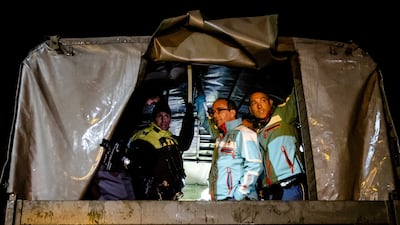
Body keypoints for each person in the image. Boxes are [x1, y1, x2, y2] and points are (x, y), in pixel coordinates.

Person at [126, 99, 194, 200]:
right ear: (154, 118)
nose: (163, 120)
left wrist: (189, 114)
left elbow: (185, 143)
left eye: (166, 116)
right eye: (160, 116)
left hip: (172, 194)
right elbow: (137, 170)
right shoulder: (144, 136)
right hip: (153, 195)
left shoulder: (171, 138)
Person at [248, 88, 306, 200]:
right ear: (251, 110)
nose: (259, 106)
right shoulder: (256, 134)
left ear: (270, 103)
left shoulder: (283, 115)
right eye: (254, 103)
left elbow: (299, 90)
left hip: (291, 184)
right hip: (270, 190)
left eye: (263, 101)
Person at [208, 98, 263, 201]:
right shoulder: (221, 138)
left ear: (232, 112)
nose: (215, 115)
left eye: (219, 110)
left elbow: (255, 165)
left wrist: (239, 195)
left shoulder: (244, 133)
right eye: (213, 112)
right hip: (220, 201)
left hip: (237, 202)